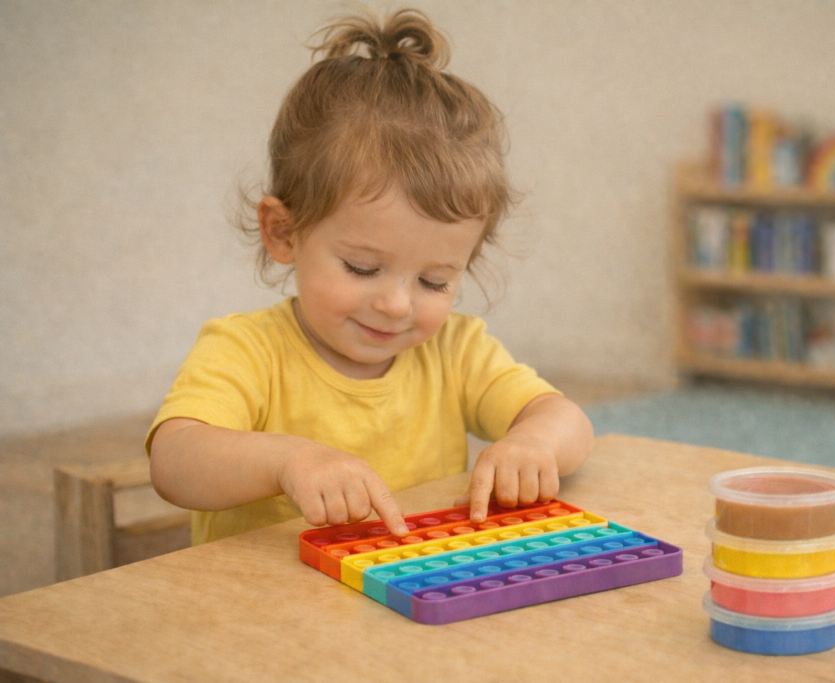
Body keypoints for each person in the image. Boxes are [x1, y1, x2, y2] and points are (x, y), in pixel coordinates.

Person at [147, 8, 593, 546]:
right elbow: (174, 462)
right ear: (284, 232)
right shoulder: (248, 349)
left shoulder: (454, 350)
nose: (397, 304)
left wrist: (534, 444)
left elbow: (564, 417)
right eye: (363, 268)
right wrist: (289, 460)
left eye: (434, 281)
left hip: (405, 600)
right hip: (263, 611)